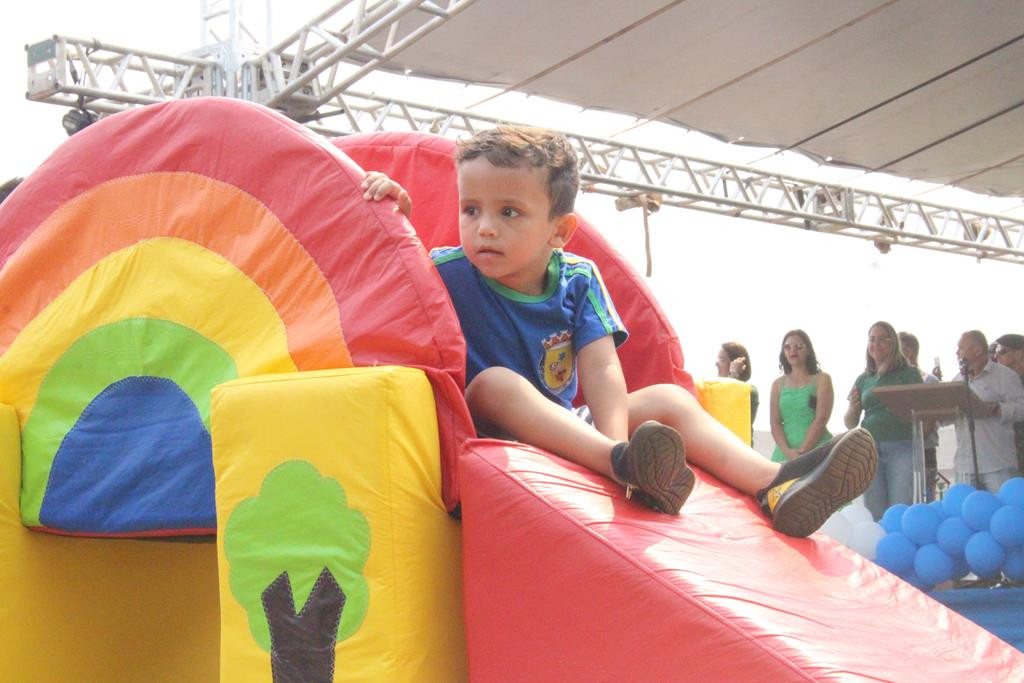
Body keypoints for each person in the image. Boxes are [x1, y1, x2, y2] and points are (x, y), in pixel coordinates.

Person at [362, 125, 878, 538]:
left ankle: (775, 486)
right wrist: (396, 219)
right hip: (487, 432)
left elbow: (602, 366)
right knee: (495, 382)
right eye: (470, 210)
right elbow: (397, 286)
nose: (484, 228)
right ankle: (622, 464)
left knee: (668, 402)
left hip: (572, 431)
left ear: (559, 231)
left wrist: (612, 439)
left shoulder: (578, 279)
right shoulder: (450, 271)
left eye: (509, 212)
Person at [844, 321, 922, 520]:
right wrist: (853, 406)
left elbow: (922, 408)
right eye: (872, 339)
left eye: (882, 339)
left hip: (900, 446)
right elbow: (850, 422)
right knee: (874, 509)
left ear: (893, 343)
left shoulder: (909, 374)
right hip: (868, 448)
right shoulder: (864, 379)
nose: (875, 344)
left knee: (899, 507)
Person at [951, 330, 1024, 492]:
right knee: (966, 515)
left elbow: (1022, 408)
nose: (957, 353)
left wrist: (998, 409)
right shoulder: (957, 381)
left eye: (961, 348)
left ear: (977, 350)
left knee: (1003, 512)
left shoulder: (1005, 376)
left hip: (998, 463)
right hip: (965, 465)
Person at [769, 330, 833, 463]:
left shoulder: (822, 379)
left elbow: (821, 418)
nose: (793, 350)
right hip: (785, 452)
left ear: (808, 350)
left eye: (799, 346)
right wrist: (787, 452)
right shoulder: (777, 384)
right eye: (787, 347)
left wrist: (803, 452)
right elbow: (775, 422)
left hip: (817, 449)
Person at [898, 331, 941, 499]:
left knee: (925, 504)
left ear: (908, 352)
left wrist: (900, 441)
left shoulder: (929, 381)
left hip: (923, 454)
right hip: (898, 454)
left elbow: (928, 425)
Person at [994, 333, 1024, 476]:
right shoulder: (1001, 382)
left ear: (1019, 353)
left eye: (1002, 350)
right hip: (1009, 455)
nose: (997, 356)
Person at [716, 342, 759, 439]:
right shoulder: (715, 389)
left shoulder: (749, 391)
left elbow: (726, 411)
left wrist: (733, 375)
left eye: (722, 360)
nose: (716, 364)